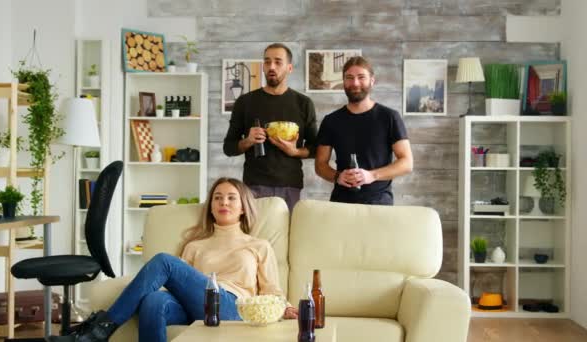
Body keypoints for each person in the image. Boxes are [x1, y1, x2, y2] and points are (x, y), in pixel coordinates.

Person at [72, 177, 298, 342]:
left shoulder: (258, 245)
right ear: (210, 207)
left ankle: (101, 329)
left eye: (231, 198)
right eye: (217, 198)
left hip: (232, 307)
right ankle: (100, 330)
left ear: (242, 207)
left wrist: (285, 307)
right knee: (153, 300)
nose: (223, 203)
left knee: (163, 261)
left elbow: (271, 289)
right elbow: (178, 287)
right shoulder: (195, 245)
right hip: (193, 308)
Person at [223, 43, 318, 211]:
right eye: (267, 62)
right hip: (254, 185)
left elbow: (316, 149)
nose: (271, 67)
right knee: (256, 236)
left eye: (278, 62)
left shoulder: (303, 103)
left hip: (290, 184)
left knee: (287, 235)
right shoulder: (245, 102)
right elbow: (229, 147)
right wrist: (248, 141)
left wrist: (294, 151)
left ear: (289, 68)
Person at [314, 56, 413, 205]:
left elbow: (407, 163)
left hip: (379, 205)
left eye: (361, 77)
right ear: (343, 82)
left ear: (372, 81)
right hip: (341, 205)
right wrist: (337, 177)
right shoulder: (331, 121)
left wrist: (372, 175)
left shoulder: (389, 117)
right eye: (349, 77)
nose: (355, 83)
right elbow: (320, 165)